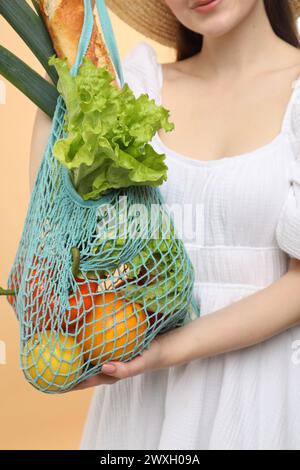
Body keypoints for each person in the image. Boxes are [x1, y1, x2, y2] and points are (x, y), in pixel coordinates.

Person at [30, 0, 300, 450]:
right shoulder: (136, 89)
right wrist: (58, 99)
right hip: (144, 400)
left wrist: (167, 352)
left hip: (265, 393)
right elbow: (60, 242)